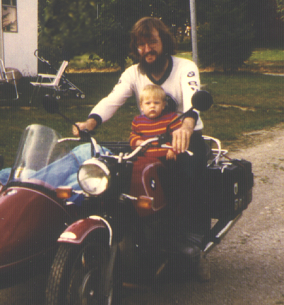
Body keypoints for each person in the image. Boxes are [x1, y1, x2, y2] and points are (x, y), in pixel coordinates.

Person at [74, 17, 209, 258]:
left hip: (184, 138)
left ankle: (192, 236)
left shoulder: (185, 67)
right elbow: (112, 99)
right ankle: (134, 231)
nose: (147, 49)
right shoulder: (133, 73)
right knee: (122, 178)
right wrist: (90, 122)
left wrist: (186, 128)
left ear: (164, 42)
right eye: (141, 44)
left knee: (186, 173)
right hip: (149, 140)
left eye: (153, 42)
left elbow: (192, 101)